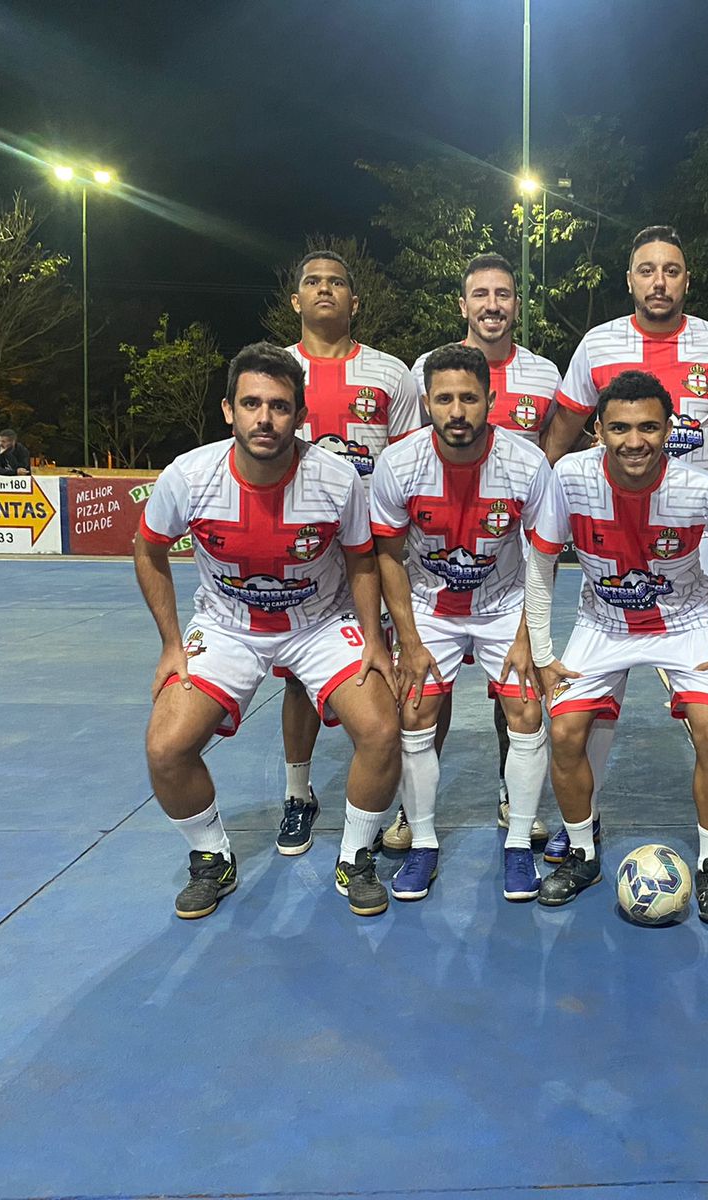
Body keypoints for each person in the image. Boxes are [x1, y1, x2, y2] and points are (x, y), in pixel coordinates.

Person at [135, 342, 401, 919]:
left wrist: (374, 640)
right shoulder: (190, 475)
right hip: (227, 626)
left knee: (382, 730)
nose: (264, 418)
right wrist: (171, 644)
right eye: (251, 403)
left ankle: (356, 856)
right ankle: (211, 856)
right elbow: (149, 549)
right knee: (165, 748)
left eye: (279, 406)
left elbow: (361, 559)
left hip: (319, 623)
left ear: (300, 416)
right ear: (228, 410)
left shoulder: (336, 478)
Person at [538, 226, 708, 863]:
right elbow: (565, 423)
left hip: (685, 542)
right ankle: (582, 833)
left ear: (687, 279)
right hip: (608, 572)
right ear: (629, 279)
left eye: (672, 270)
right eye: (647, 270)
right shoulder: (597, 345)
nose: (659, 281)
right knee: (570, 725)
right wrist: (542, 483)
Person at [523, 370, 708, 922]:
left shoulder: (702, 488)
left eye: (648, 427)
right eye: (619, 428)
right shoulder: (569, 476)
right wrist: (543, 654)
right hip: (603, 623)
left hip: (685, 623)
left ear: (670, 429)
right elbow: (541, 563)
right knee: (565, 731)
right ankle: (582, 852)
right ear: (597, 430)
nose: (634, 440)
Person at [371, 343, 558, 902]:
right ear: (426, 402)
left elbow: (542, 556)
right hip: (430, 608)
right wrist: (408, 640)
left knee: (527, 709)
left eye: (469, 399)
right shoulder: (398, 463)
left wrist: (527, 637)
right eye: (445, 399)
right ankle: (424, 843)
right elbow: (388, 556)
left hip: (505, 605)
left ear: (490, 401)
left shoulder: (527, 463)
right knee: (414, 711)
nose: (457, 412)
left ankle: (518, 844)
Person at [395, 252, 560, 852]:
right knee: (422, 697)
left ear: (517, 302)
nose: (493, 304)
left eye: (504, 293)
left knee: (515, 693)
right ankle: (414, 814)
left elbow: (552, 449)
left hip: (505, 556)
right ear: (463, 304)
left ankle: (513, 795)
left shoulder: (544, 374)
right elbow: (418, 454)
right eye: (481, 294)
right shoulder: (425, 369)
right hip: (436, 563)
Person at [274, 250, 422, 858]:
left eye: (336, 282)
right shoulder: (275, 367)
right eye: (312, 281)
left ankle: (399, 800)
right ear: (296, 300)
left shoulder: (391, 373)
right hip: (302, 552)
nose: (325, 290)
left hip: (374, 551)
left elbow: (412, 461)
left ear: (355, 301)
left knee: (391, 668)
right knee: (296, 678)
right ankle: (298, 794)